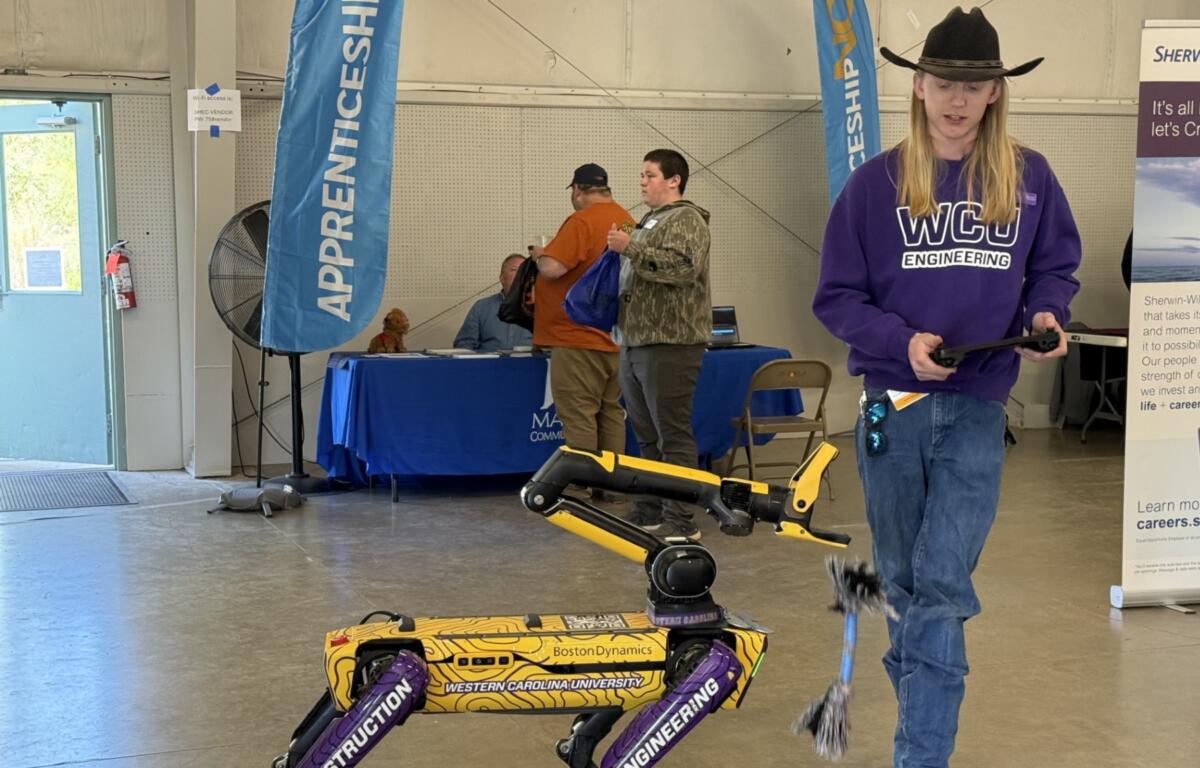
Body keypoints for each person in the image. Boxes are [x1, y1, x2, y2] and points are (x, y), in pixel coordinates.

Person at [811, 7, 1080, 767]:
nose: (958, 99)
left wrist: (1047, 314)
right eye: (943, 83)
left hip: (975, 409)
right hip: (891, 412)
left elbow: (1054, 269)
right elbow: (835, 297)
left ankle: (920, 756)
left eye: (975, 84)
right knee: (902, 587)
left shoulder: (1029, 178)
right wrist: (902, 343)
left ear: (996, 92)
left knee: (940, 585)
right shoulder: (873, 187)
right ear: (919, 87)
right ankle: (921, 735)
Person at [606, 149, 711, 539]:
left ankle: (681, 520)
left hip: (671, 343)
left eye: (650, 175)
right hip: (635, 341)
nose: (642, 182)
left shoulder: (688, 218)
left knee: (673, 434)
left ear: (674, 180)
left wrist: (630, 247)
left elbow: (684, 268)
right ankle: (650, 509)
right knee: (647, 435)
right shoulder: (649, 220)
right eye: (642, 175)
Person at [530, 164, 634, 480]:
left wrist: (539, 253)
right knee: (611, 413)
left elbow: (552, 269)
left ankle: (582, 489)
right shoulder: (627, 221)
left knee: (578, 415)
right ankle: (613, 487)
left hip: (576, 336)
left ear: (578, 190)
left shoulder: (581, 220)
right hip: (615, 338)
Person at [453, 253, 534, 352]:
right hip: (488, 365)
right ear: (502, 278)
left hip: (529, 365)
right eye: (514, 269)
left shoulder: (542, 309)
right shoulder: (481, 307)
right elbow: (463, 345)